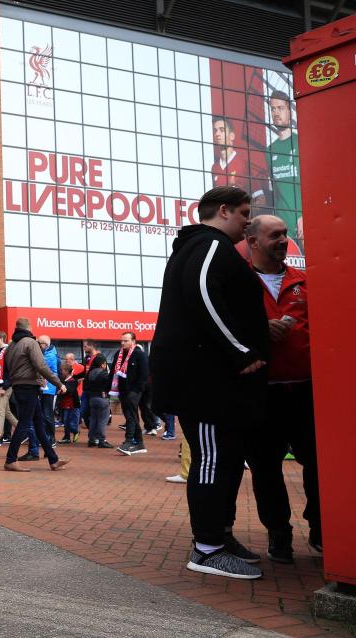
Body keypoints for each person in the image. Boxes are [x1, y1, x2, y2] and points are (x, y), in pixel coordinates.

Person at [150, 186, 269, 580]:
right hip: (204, 383)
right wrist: (242, 351)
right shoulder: (209, 245)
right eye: (244, 213)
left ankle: (219, 535)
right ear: (223, 210)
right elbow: (202, 295)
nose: (247, 220)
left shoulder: (204, 247)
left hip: (212, 381)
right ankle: (207, 548)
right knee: (213, 460)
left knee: (226, 460)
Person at [244, 214, 320, 562]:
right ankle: (279, 534)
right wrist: (261, 331)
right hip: (262, 394)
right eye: (275, 235)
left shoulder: (304, 280)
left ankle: (321, 530)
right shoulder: (238, 283)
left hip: (306, 392)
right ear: (254, 241)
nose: (283, 240)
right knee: (265, 467)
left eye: (285, 235)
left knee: (318, 463)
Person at [3, 318, 68, 472]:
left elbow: (12, 367)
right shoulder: (30, 343)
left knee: (39, 424)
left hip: (18, 386)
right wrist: (59, 383)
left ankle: (53, 460)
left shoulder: (11, 346)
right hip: (28, 388)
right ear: (30, 327)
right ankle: (10, 460)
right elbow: (41, 365)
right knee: (24, 424)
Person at [110, 332, 158, 455]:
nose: (122, 343)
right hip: (122, 390)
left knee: (131, 415)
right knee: (130, 415)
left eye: (126, 341)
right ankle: (140, 443)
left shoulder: (139, 354)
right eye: (121, 341)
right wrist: (107, 388)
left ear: (133, 341)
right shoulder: (118, 354)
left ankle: (129, 441)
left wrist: (137, 390)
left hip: (135, 391)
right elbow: (113, 372)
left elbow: (144, 374)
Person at [266, 91, 302, 245]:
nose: (276, 113)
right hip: (282, 225)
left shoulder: (301, 141)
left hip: (304, 221)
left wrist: (306, 215)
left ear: (290, 112)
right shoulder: (269, 151)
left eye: (280, 108)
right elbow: (275, 190)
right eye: (273, 109)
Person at [84, 356, 113, 449]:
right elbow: (109, 385)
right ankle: (102, 440)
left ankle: (92, 439)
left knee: (93, 419)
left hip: (92, 398)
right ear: (102, 364)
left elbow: (86, 386)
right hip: (102, 397)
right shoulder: (103, 374)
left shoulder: (90, 373)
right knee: (102, 420)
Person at [35, 335, 60, 446]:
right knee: (44, 413)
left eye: (39, 344)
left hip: (48, 388)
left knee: (47, 414)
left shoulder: (49, 356)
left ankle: (51, 438)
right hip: (44, 388)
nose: (38, 346)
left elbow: (41, 367)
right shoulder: (47, 354)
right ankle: (45, 436)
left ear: (45, 344)